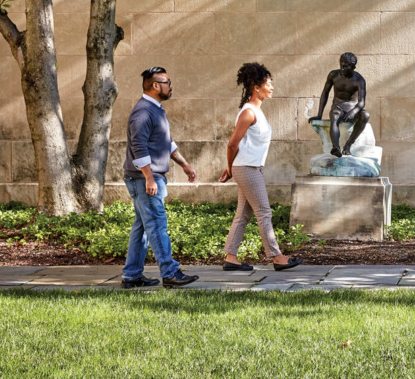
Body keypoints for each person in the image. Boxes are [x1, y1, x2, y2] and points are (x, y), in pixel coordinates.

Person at [219, 62, 302, 272]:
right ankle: (277, 257)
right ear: (256, 87)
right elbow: (232, 144)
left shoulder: (257, 111)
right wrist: (230, 168)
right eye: (268, 83)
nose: (271, 87)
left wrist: (232, 168)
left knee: (243, 214)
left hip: (251, 167)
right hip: (246, 168)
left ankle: (231, 257)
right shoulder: (248, 113)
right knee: (264, 212)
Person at [122, 66, 200, 288]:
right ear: (155, 85)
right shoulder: (144, 111)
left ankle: (132, 275)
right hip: (144, 178)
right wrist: (149, 177)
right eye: (167, 82)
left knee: (142, 228)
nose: (171, 86)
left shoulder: (155, 110)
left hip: (148, 177)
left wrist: (184, 164)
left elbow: (166, 141)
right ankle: (170, 273)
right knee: (156, 225)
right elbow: (138, 146)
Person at [307, 52, 369, 157]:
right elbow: (325, 93)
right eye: (341, 65)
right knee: (334, 116)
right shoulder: (333, 75)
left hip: (353, 107)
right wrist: (319, 115)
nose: (342, 68)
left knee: (365, 116)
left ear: (353, 67)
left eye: (346, 66)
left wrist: (353, 112)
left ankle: (348, 145)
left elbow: (361, 101)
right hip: (338, 106)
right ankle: (336, 148)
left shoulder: (359, 80)